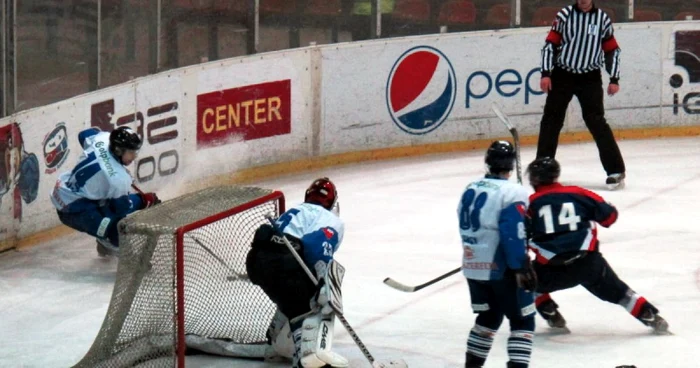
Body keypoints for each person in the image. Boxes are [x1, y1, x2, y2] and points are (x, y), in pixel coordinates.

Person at [525, 157, 668, 334]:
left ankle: (549, 311)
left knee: (525, 282)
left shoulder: (528, 204)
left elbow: (519, 238)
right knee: (621, 293)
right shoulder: (579, 193)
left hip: (551, 271)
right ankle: (648, 314)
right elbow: (610, 217)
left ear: (534, 179)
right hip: (589, 265)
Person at [246, 177, 348, 368]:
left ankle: (276, 338)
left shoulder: (298, 210)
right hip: (283, 263)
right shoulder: (332, 220)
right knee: (312, 300)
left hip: (256, 261)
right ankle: (306, 357)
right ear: (333, 203)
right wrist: (324, 284)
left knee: (289, 293)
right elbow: (316, 248)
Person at [459, 141, 537, 368]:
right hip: (502, 267)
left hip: (473, 265)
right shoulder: (513, 191)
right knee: (523, 320)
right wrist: (520, 266)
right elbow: (511, 232)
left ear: (487, 162)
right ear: (511, 165)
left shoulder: (471, 187)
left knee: (489, 318)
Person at [538, 0, 626, 190]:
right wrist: (546, 73)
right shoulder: (564, 16)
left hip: (590, 77)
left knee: (596, 121)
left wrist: (614, 78)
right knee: (551, 121)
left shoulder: (602, 19)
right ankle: (542, 169)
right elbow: (550, 45)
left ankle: (615, 170)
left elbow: (612, 50)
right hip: (563, 74)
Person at [50, 126, 160, 257]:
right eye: (131, 152)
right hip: (71, 210)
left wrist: (99, 153)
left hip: (63, 188)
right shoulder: (118, 179)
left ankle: (104, 236)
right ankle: (107, 241)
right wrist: (143, 200)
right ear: (119, 150)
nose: (134, 156)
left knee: (109, 202)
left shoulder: (102, 138)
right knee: (118, 228)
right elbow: (122, 208)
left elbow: (84, 134)